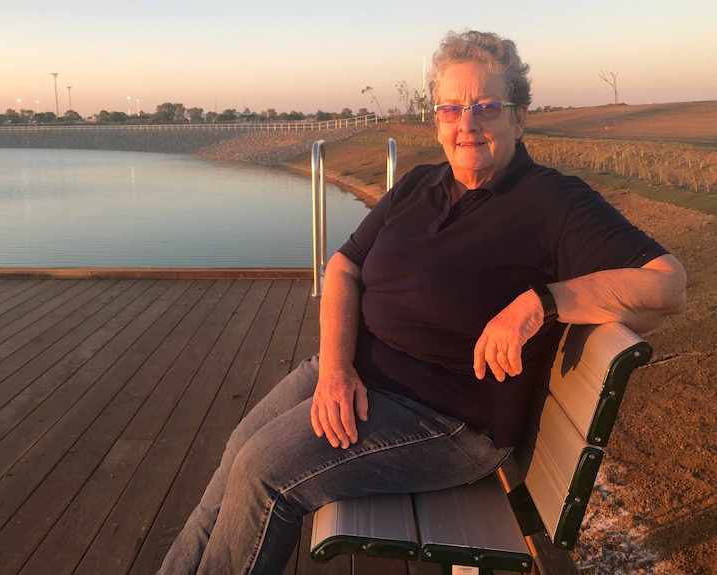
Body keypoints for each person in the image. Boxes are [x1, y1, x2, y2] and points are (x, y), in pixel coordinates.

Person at [157, 30, 686, 574]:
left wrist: (540, 302)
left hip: (445, 417)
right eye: (451, 109)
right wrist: (336, 368)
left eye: (486, 106)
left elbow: (667, 283)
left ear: (519, 116)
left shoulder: (552, 202)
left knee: (264, 473)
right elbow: (343, 266)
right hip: (356, 374)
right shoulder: (417, 186)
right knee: (237, 452)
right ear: (436, 120)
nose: (467, 124)